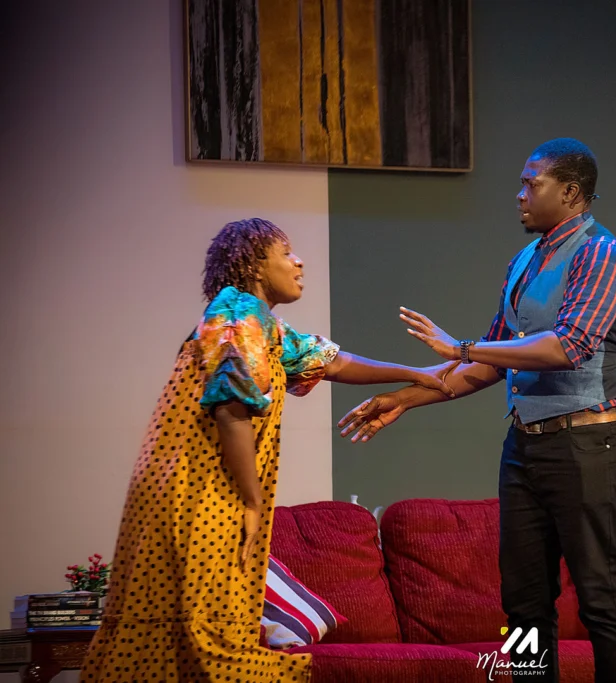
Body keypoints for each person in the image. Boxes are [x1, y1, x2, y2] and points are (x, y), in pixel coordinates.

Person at [81, 218, 452, 682]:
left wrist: (415, 374)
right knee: (206, 623)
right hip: (194, 490)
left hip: (205, 487)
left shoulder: (262, 324)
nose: (299, 262)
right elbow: (231, 408)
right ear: (255, 264)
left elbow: (330, 362)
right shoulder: (238, 314)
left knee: (204, 617)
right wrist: (253, 501)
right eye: (286, 252)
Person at [339, 138, 616, 683]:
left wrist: (461, 348)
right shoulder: (524, 261)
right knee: (523, 599)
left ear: (570, 192)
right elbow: (493, 360)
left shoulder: (602, 254)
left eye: (531, 183)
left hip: (588, 442)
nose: (519, 194)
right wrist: (404, 398)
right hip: (526, 445)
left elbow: (568, 345)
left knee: (600, 594)